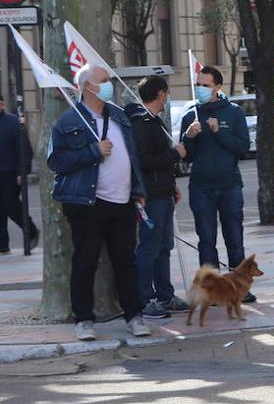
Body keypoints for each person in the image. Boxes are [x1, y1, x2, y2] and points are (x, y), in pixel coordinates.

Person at [48, 65, 149, 341]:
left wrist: (138, 189)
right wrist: (93, 151)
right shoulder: (68, 121)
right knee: (85, 261)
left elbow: (132, 155)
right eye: (104, 81)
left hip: (123, 201)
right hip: (88, 203)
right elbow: (55, 161)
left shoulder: (118, 116)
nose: (109, 85)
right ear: (88, 86)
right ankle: (83, 319)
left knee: (126, 261)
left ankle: (134, 315)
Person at [180, 66, 252, 300]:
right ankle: (210, 290)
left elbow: (242, 148)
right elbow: (187, 155)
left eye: (206, 85)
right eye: (198, 85)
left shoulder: (233, 112)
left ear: (218, 87)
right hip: (201, 187)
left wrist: (218, 132)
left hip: (230, 184)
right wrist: (188, 137)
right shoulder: (190, 114)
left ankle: (239, 289)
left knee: (235, 237)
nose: (201, 89)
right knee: (206, 240)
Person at [127, 77, 189, 320]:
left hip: (162, 192)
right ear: (161, 94)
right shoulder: (141, 123)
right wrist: (175, 154)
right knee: (150, 247)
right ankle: (146, 297)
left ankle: (165, 295)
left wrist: (172, 185)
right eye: (166, 93)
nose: (167, 97)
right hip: (150, 196)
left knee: (164, 247)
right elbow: (144, 161)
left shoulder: (154, 121)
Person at [0, 90, 38, 254]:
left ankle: (31, 230)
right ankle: (2, 245)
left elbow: (25, 150)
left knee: (9, 204)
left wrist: (22, 172)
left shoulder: (14, 123)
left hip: (10, 173)